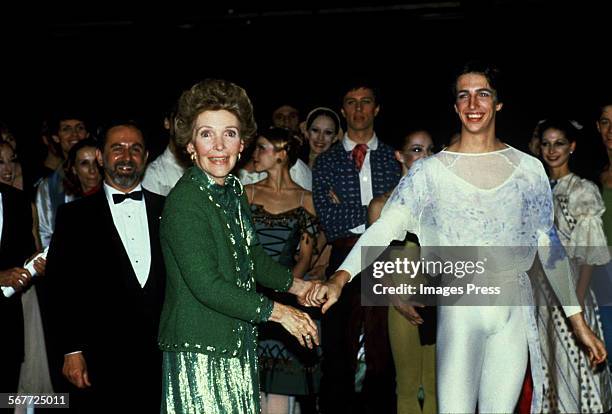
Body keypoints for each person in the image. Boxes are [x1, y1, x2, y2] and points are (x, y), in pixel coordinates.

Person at [307, 61, 608, 414]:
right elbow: (387, 226)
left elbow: (548, 244)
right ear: (455, 106)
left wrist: (577, 321)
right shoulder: (431, 172)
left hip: (512, 308)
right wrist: (340, 278)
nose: (473, 104)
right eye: (464, 96)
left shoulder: (529, 169)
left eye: (483, 94)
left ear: (497, 103)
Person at [158, 79, 320, 414]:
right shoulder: (185, 202)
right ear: (190, 144)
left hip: (237, 342)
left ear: (242, 142)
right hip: (200, 351)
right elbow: (207, 285)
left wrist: (299, 286)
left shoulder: (232, 188)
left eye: (229, 133)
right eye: (206, 134)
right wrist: (280, 312)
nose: (218, 145)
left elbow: (253, 258)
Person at [42, 120, 166, 413]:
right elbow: (61, 289)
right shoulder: (73, 217)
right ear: (101, 156)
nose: (127, 156)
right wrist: (71, 350)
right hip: (100, 357)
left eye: (135, 149)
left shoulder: (168, 210)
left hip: (159, 357)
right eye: (117, 148)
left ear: (146, 157)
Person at [312, 79, 401, 413]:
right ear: (343, 109)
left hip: (389, 258)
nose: (359, 109)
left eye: (366, 101)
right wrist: (379, 209)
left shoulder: (394, 158)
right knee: (338, 353)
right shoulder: (327, 161)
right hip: (343, 257)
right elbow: (331, 223)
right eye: (351, 102)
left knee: (385, 352)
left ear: (376, 108)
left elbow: (403, 220)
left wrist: (356, 211)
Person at [536, 118, 612, 413]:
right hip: (542, 298)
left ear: (572, 147)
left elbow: (588, 252)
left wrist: (577, 299)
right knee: (549, 370)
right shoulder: (538, 189)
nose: (552, 150)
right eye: (546, 143)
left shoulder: (582, 189)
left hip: (573, 292)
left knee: (577, 370)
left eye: (559, 143)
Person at [246, 126, 323, 413]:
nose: (255, 154)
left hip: (288, 292)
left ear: (281, 154)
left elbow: (305, 256)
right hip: (250, 294)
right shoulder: (247, 194)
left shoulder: (306, 199)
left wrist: (287, 288)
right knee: (250, 386)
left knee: (280, 389)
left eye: (262, 147)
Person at [368, 129, 436, 414]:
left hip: (436, 302)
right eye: (417, 149)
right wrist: (399, 301)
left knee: (435, 385)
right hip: (399, 304)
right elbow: (376, 262)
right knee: (407, 385)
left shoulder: (442, 204)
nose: (425, 157)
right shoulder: (382, 205)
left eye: (430, 150)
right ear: (400, 155)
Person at [0, 182, 40, 399]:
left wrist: (34, 265)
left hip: (7, 327)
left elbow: (25, 253)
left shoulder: (18, 201)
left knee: (5, 400)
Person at [35, 114, 89, 247]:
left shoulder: (105, 176)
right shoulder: (48, 185)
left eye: (79, 128)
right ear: (56, 137)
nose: (74, 134)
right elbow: (44, 232)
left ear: (87, 134)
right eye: (66, 129)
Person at [142, 104, 190, 196]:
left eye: (189, 121)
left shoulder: (206, 165)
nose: (184, 127)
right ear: (167, 122)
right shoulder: (154, 174)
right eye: (180, 121)